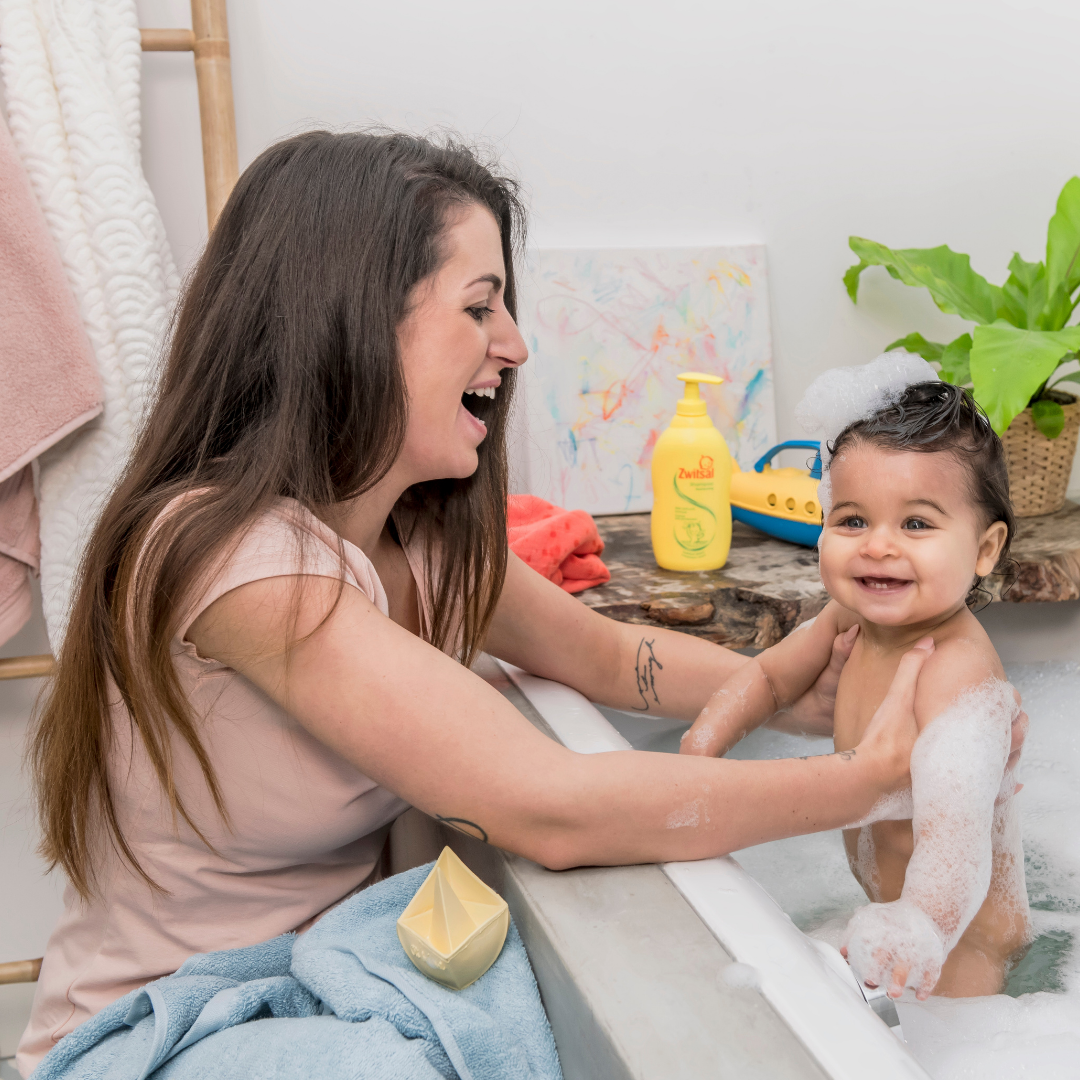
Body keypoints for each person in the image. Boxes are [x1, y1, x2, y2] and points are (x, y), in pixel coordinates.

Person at [15, 132, 1014, 1074]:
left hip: (320, 979)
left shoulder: (425, 535)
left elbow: (612, 662)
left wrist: (804, 690)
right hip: (160, 1028)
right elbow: (549, 808)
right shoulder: (231, 558)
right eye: (480, 307)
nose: (518, 344)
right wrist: (867, 781)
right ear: (356, 315)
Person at [681, 380, 1029, 1000]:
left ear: (984, 549)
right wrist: (700, 750)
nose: (877, 544)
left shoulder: (955, 671)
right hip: (890, 913)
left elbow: (956, 838)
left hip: (962, 936)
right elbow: (767, 678)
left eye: (916, 522)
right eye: (852, 519)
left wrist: (919, 923)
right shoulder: (846, 620)